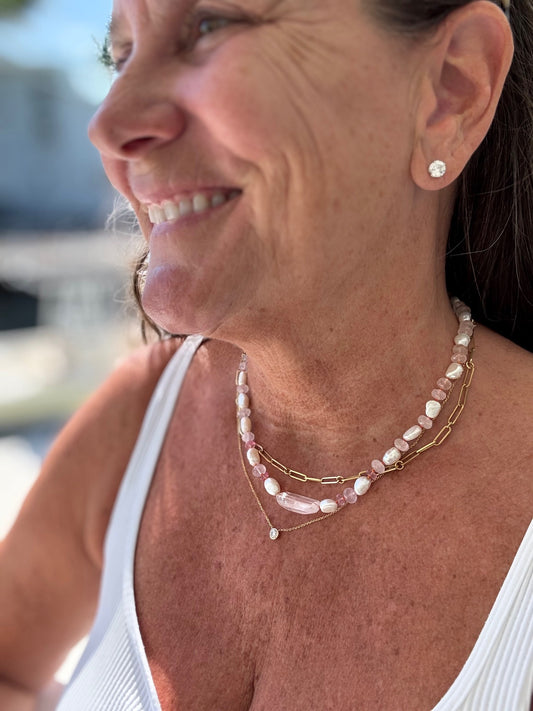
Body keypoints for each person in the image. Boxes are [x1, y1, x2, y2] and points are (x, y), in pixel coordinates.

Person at [1, 0, 532, 708]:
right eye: (119, 55)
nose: (109, 124)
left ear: (450, 90)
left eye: (210, 25)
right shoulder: (135, 425)